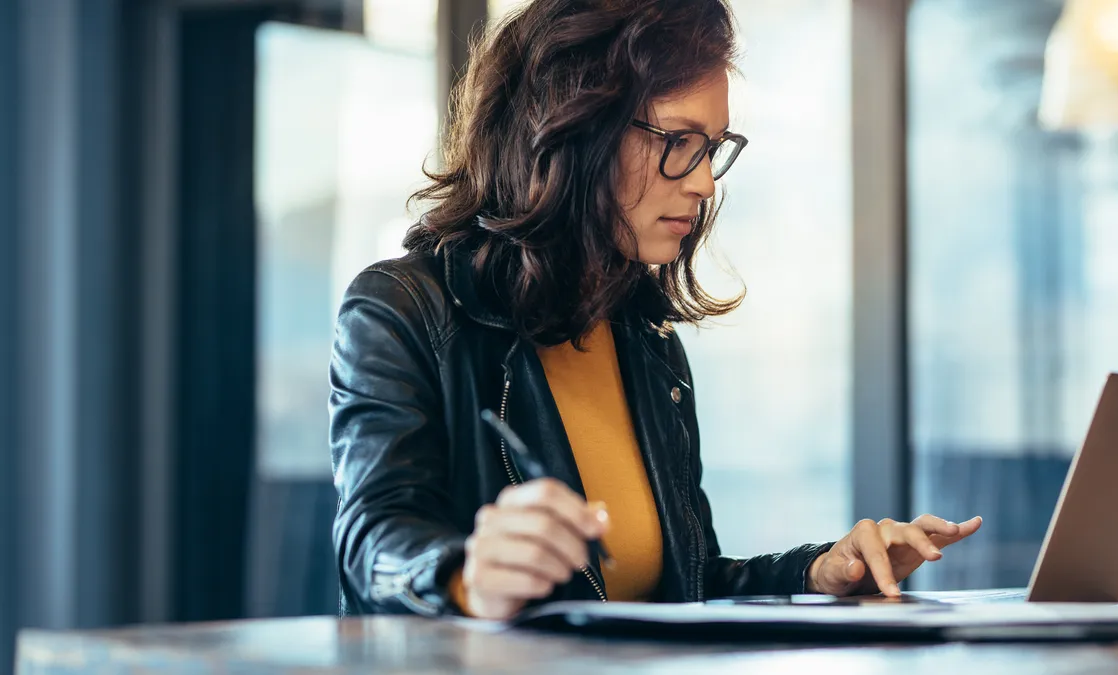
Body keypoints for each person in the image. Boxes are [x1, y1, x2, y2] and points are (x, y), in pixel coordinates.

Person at [329, 0, 981, 621]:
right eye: (677, 139)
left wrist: (819, 572)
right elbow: (373, 542)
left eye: (713, 147)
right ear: (572, 128)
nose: (702, 182)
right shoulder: (401, 310)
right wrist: (467, 576)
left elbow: (685, 587)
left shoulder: (644, 335)